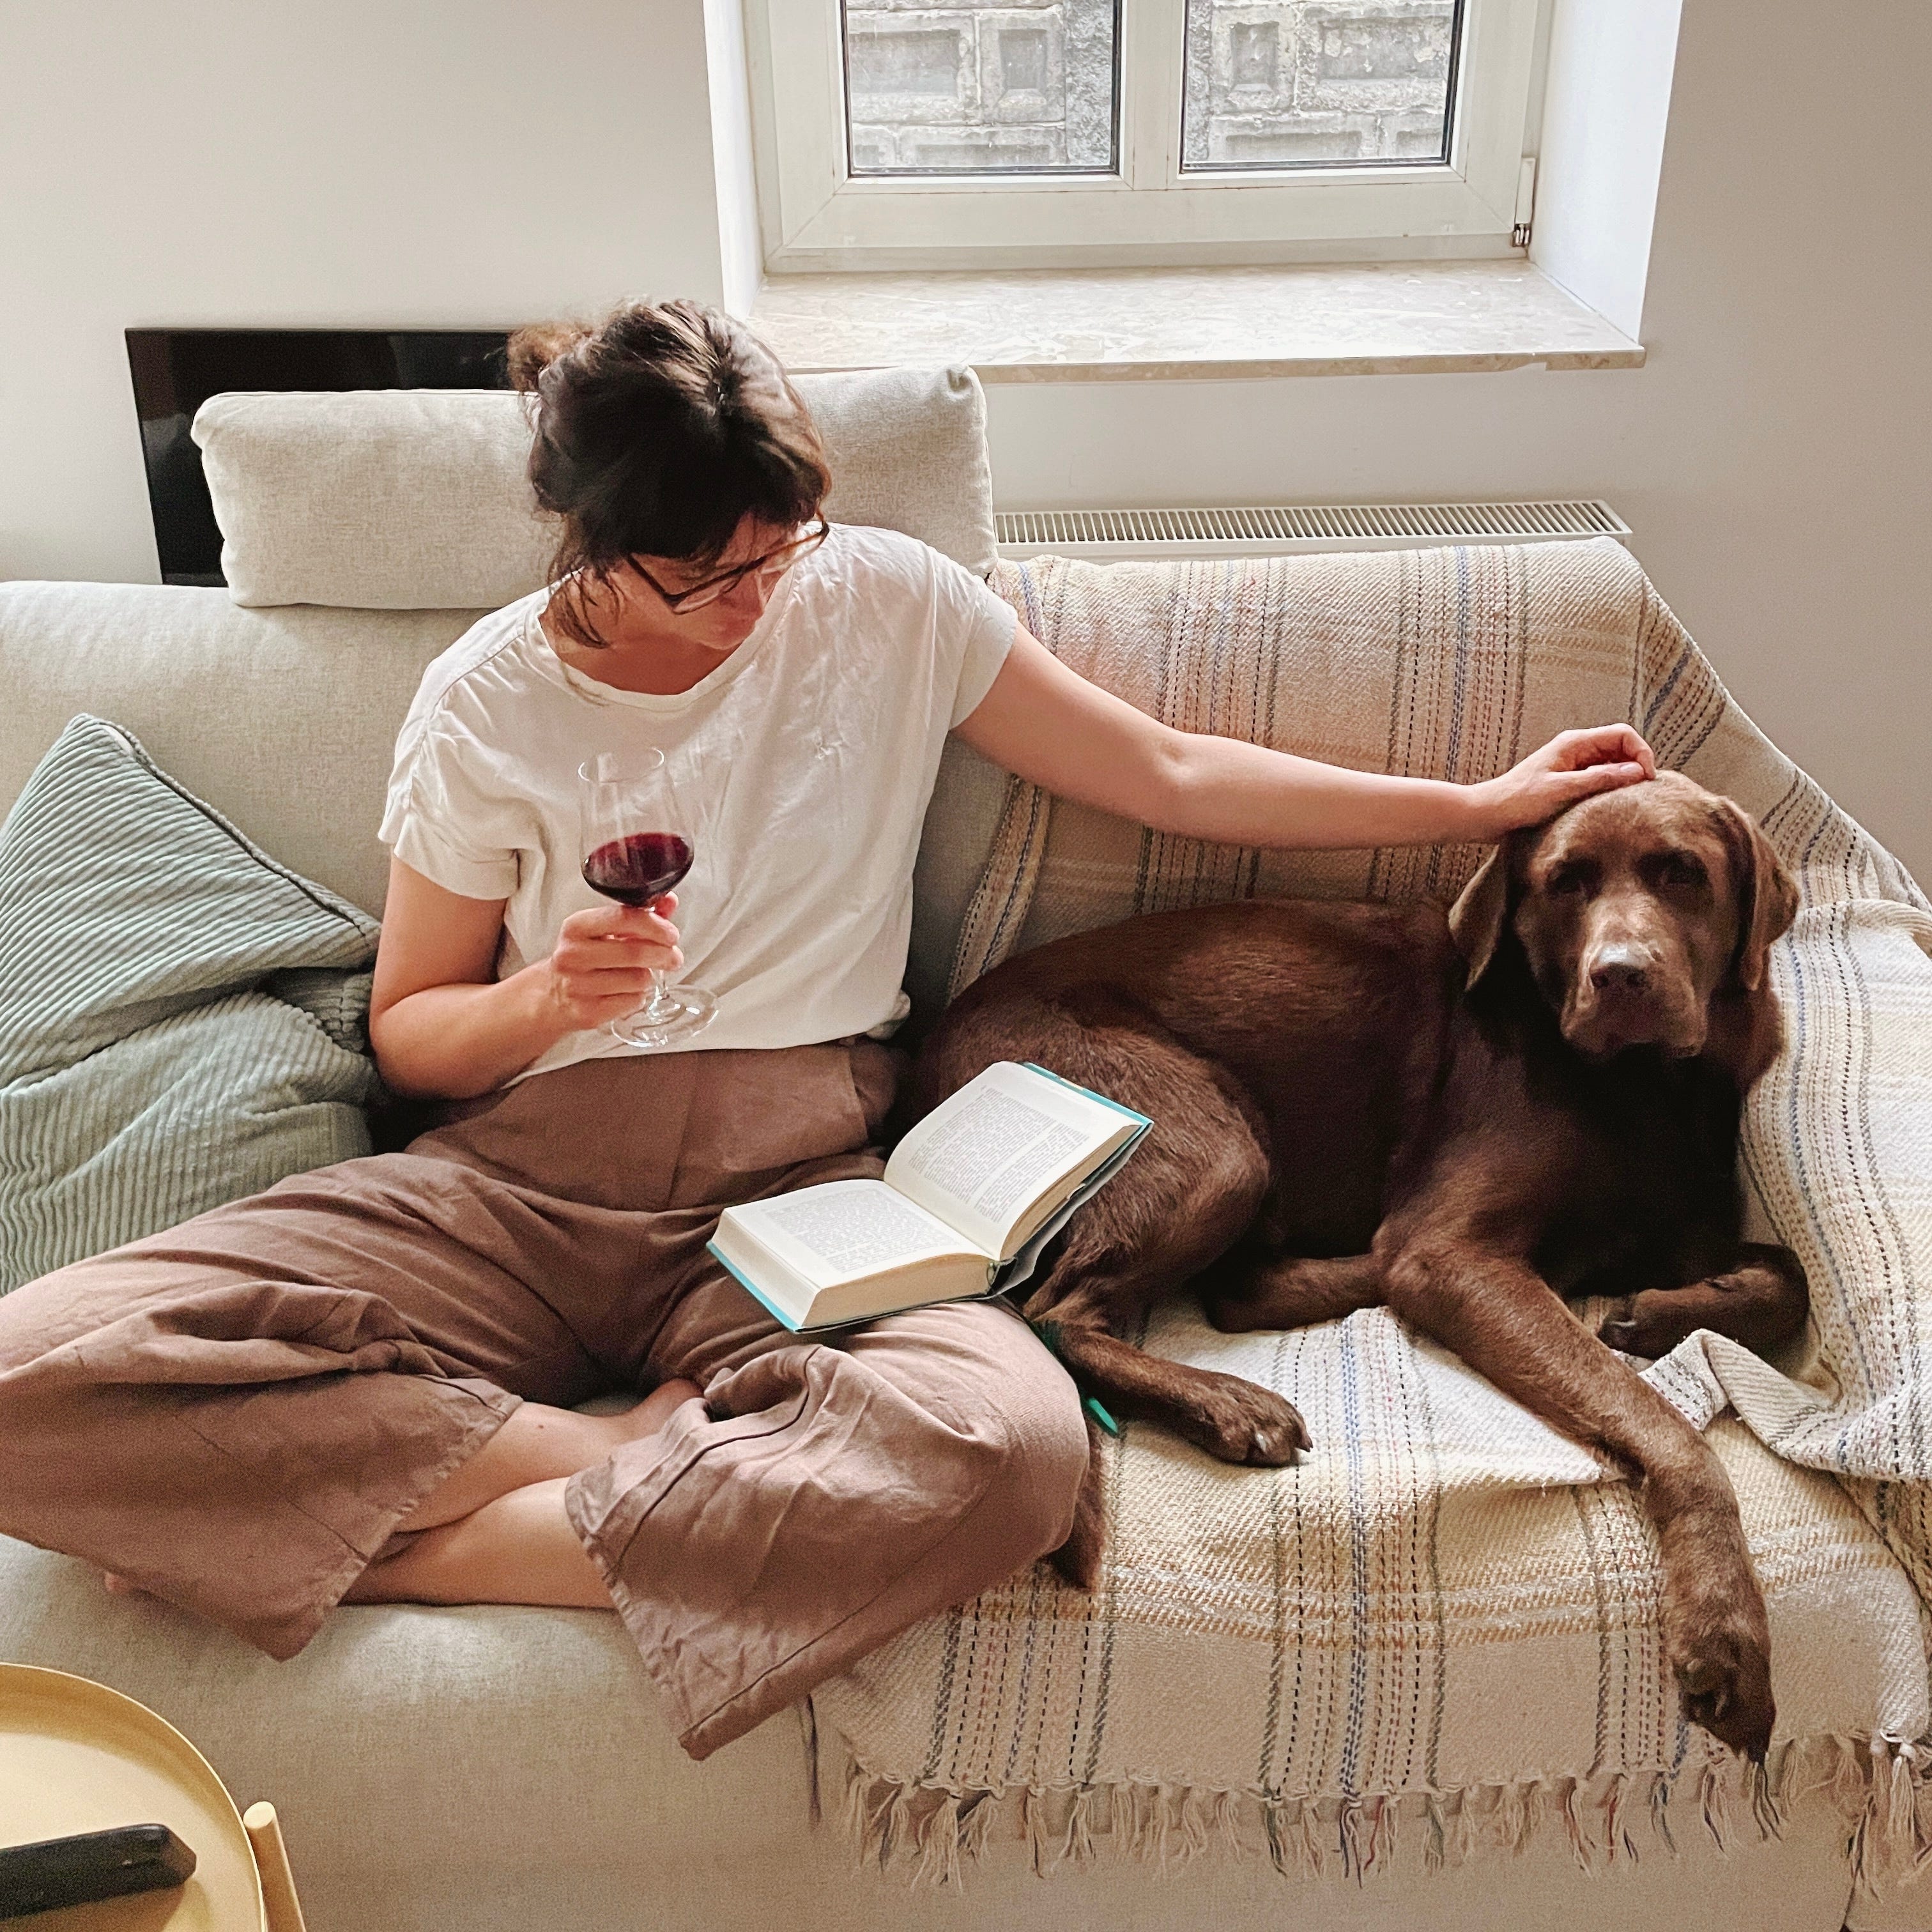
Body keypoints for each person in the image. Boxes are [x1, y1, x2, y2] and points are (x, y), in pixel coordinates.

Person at [0, 300, 1656, 1759]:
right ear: (585, 540)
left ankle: (405, 1533)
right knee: (28, 1371)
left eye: (777, 547)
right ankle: (592, 1453)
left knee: (1014, 1460)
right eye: (702, 569)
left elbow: (1163, 773)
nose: (754, 596)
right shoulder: (487, 701)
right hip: (517, 1185)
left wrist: (1476, 806)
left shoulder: (886, 602)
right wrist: (541, 998)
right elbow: (413, 1037)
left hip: (796, 1202)